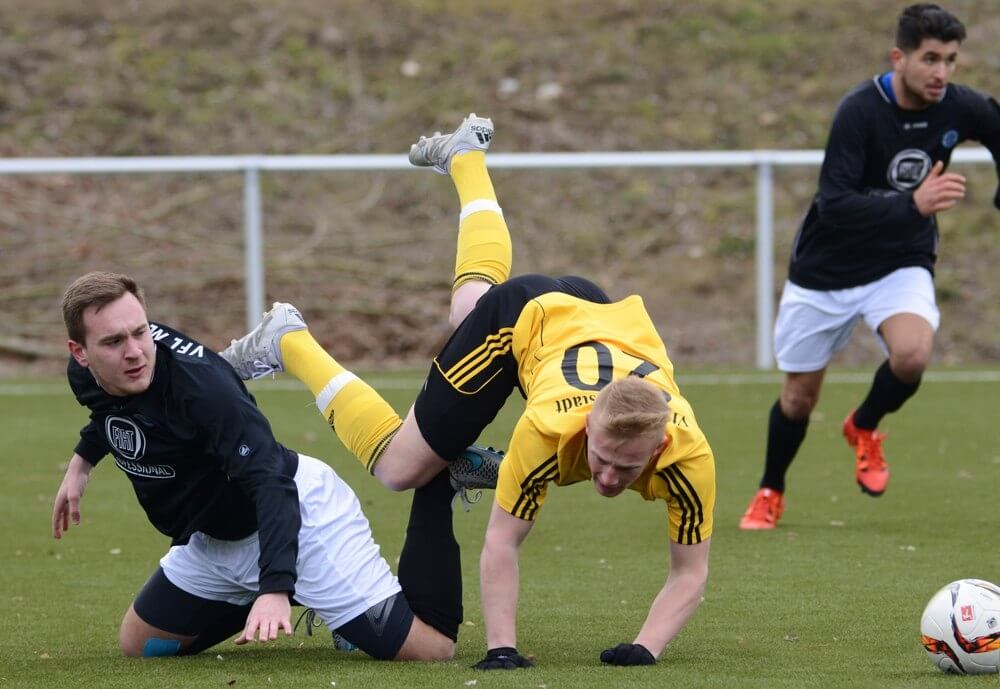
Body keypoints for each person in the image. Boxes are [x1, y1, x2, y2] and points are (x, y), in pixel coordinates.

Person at [222, 114, 716, 668]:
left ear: (660, 445)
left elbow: (691, 572)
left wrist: (645, 650)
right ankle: (289, 340)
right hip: (520, 322)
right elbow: (502, 540)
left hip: (589, 313)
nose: (606, 479)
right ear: (586, 426)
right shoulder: (547, 431)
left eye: (626, 469)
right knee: (399, 468)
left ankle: (465, 158)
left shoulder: (690, 455)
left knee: (466, 307)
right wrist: (503, 650)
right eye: (600, 459)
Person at [51, 271, 491, 660]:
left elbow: (272, 483)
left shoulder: (205, 392)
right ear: (80, 352)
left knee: (430, 650)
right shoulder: (88, 375)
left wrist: (275, 586)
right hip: (214, 540)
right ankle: (312, 603)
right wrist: (81, 462)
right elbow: (113, 411)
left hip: (296, 518)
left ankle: (439, 481)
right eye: (114, 341)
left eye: (140, 332)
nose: (134, 351)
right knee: (142, 646)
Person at [739, 3, 1000, 530]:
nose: (942, 72)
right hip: (825, 269)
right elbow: (835, 203)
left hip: (900, 261)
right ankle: (770, 489)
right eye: (930, 59)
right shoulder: (859, 111)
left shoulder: (958, 106)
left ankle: (864, 424)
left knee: (913, 355)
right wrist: (912, 204)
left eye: (950, 60)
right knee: (798, 398)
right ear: (898, 58)